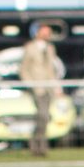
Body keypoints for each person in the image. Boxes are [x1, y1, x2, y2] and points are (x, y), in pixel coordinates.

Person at [18, 23, 64, 158]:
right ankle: (38, 145)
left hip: (48, 88)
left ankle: (40, 145)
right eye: (44, 32)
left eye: (48, 33)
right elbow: (24, 68)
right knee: (42, 115)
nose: (47, 35)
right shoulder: (30, 48)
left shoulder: (50, 48)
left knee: (44, 117)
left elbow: (51, 69)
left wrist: (56, 87)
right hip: (37, 88)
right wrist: (30, 84)